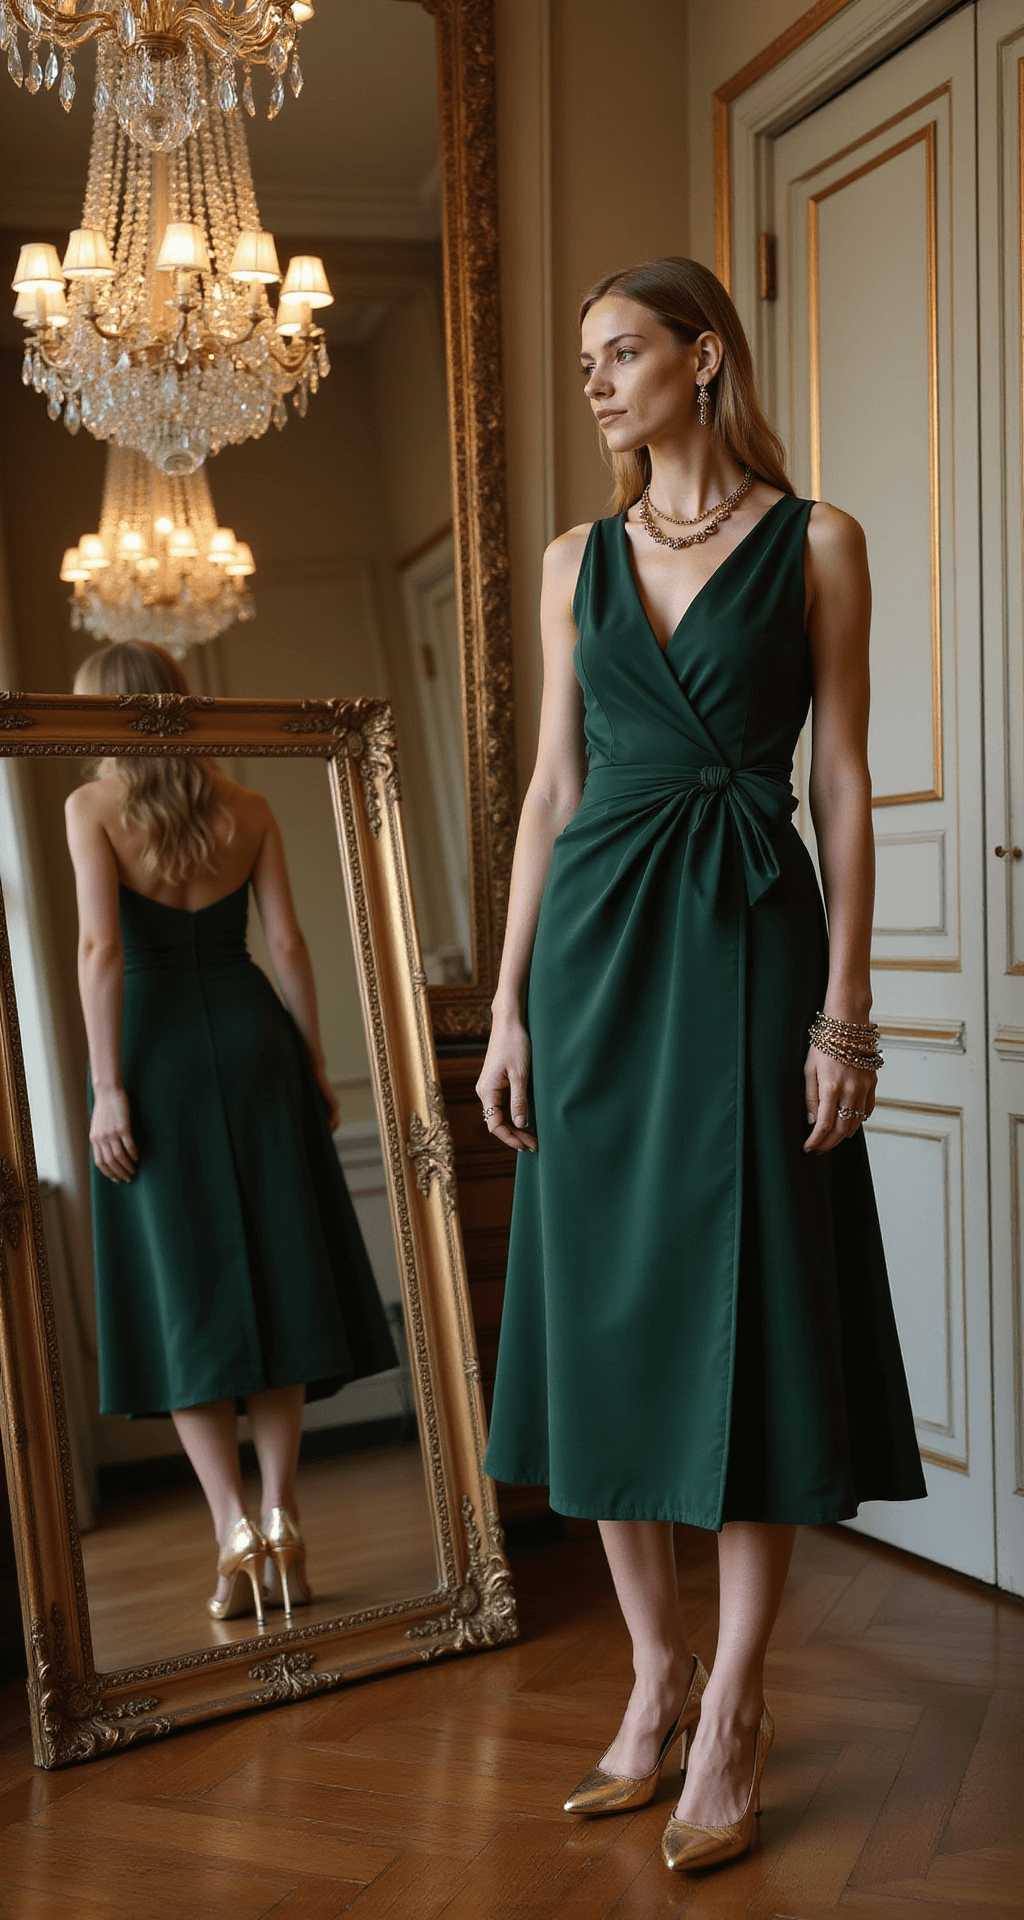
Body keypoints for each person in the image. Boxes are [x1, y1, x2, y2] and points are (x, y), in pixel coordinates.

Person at [477, 257, 925, 1874]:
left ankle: (734, 1704)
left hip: (747, 954)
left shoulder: (816, 544)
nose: (594, 383)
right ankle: (652, 1677)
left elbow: (849, 787)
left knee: (749, 1320)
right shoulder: (571, 560)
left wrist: (846, 1008)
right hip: (593, 960)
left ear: (701, 358)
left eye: (620, 353)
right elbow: (549, 791)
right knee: (601, 1317)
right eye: (586, 359)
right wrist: (510, 1004)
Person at [66, 641, 397, 1629]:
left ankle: (233, 1532)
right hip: (253, 1039)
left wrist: (106, 1088)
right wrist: (309, 1059)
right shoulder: (244, 805)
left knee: (186, 1300)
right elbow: (288, 942)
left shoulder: (92, 809)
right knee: (279, 1274)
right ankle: (284, 1514)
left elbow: (100, 948)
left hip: (155, 1054)